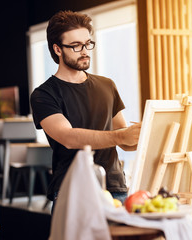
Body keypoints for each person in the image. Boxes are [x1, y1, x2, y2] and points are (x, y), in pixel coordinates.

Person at [30, 10, 141, 212]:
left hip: (115, 187)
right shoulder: (43, 95)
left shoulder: (107, 86)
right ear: (57, 49)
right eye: (76, 46)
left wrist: (145, 136)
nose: (85, 51)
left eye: (88, 43)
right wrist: (122, 135)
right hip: (72, 190)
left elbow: (124, 141)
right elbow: (69, 138)